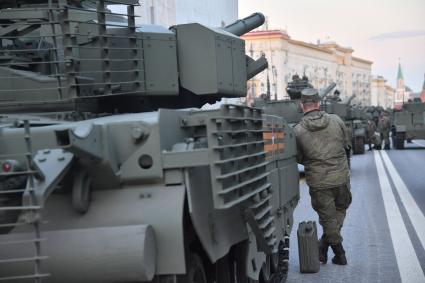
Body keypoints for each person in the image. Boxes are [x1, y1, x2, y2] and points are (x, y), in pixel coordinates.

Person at [294, 88, 352, 265]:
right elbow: (346, 144)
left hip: (319, 181)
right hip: (341, 177)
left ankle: (333, 251)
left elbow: (298, 157)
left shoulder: (297, 130)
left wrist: (315, 163)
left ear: (301, 105)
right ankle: (332, 250)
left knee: (328, 218)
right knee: (340, 208)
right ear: (318, 103)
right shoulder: (337, 120)